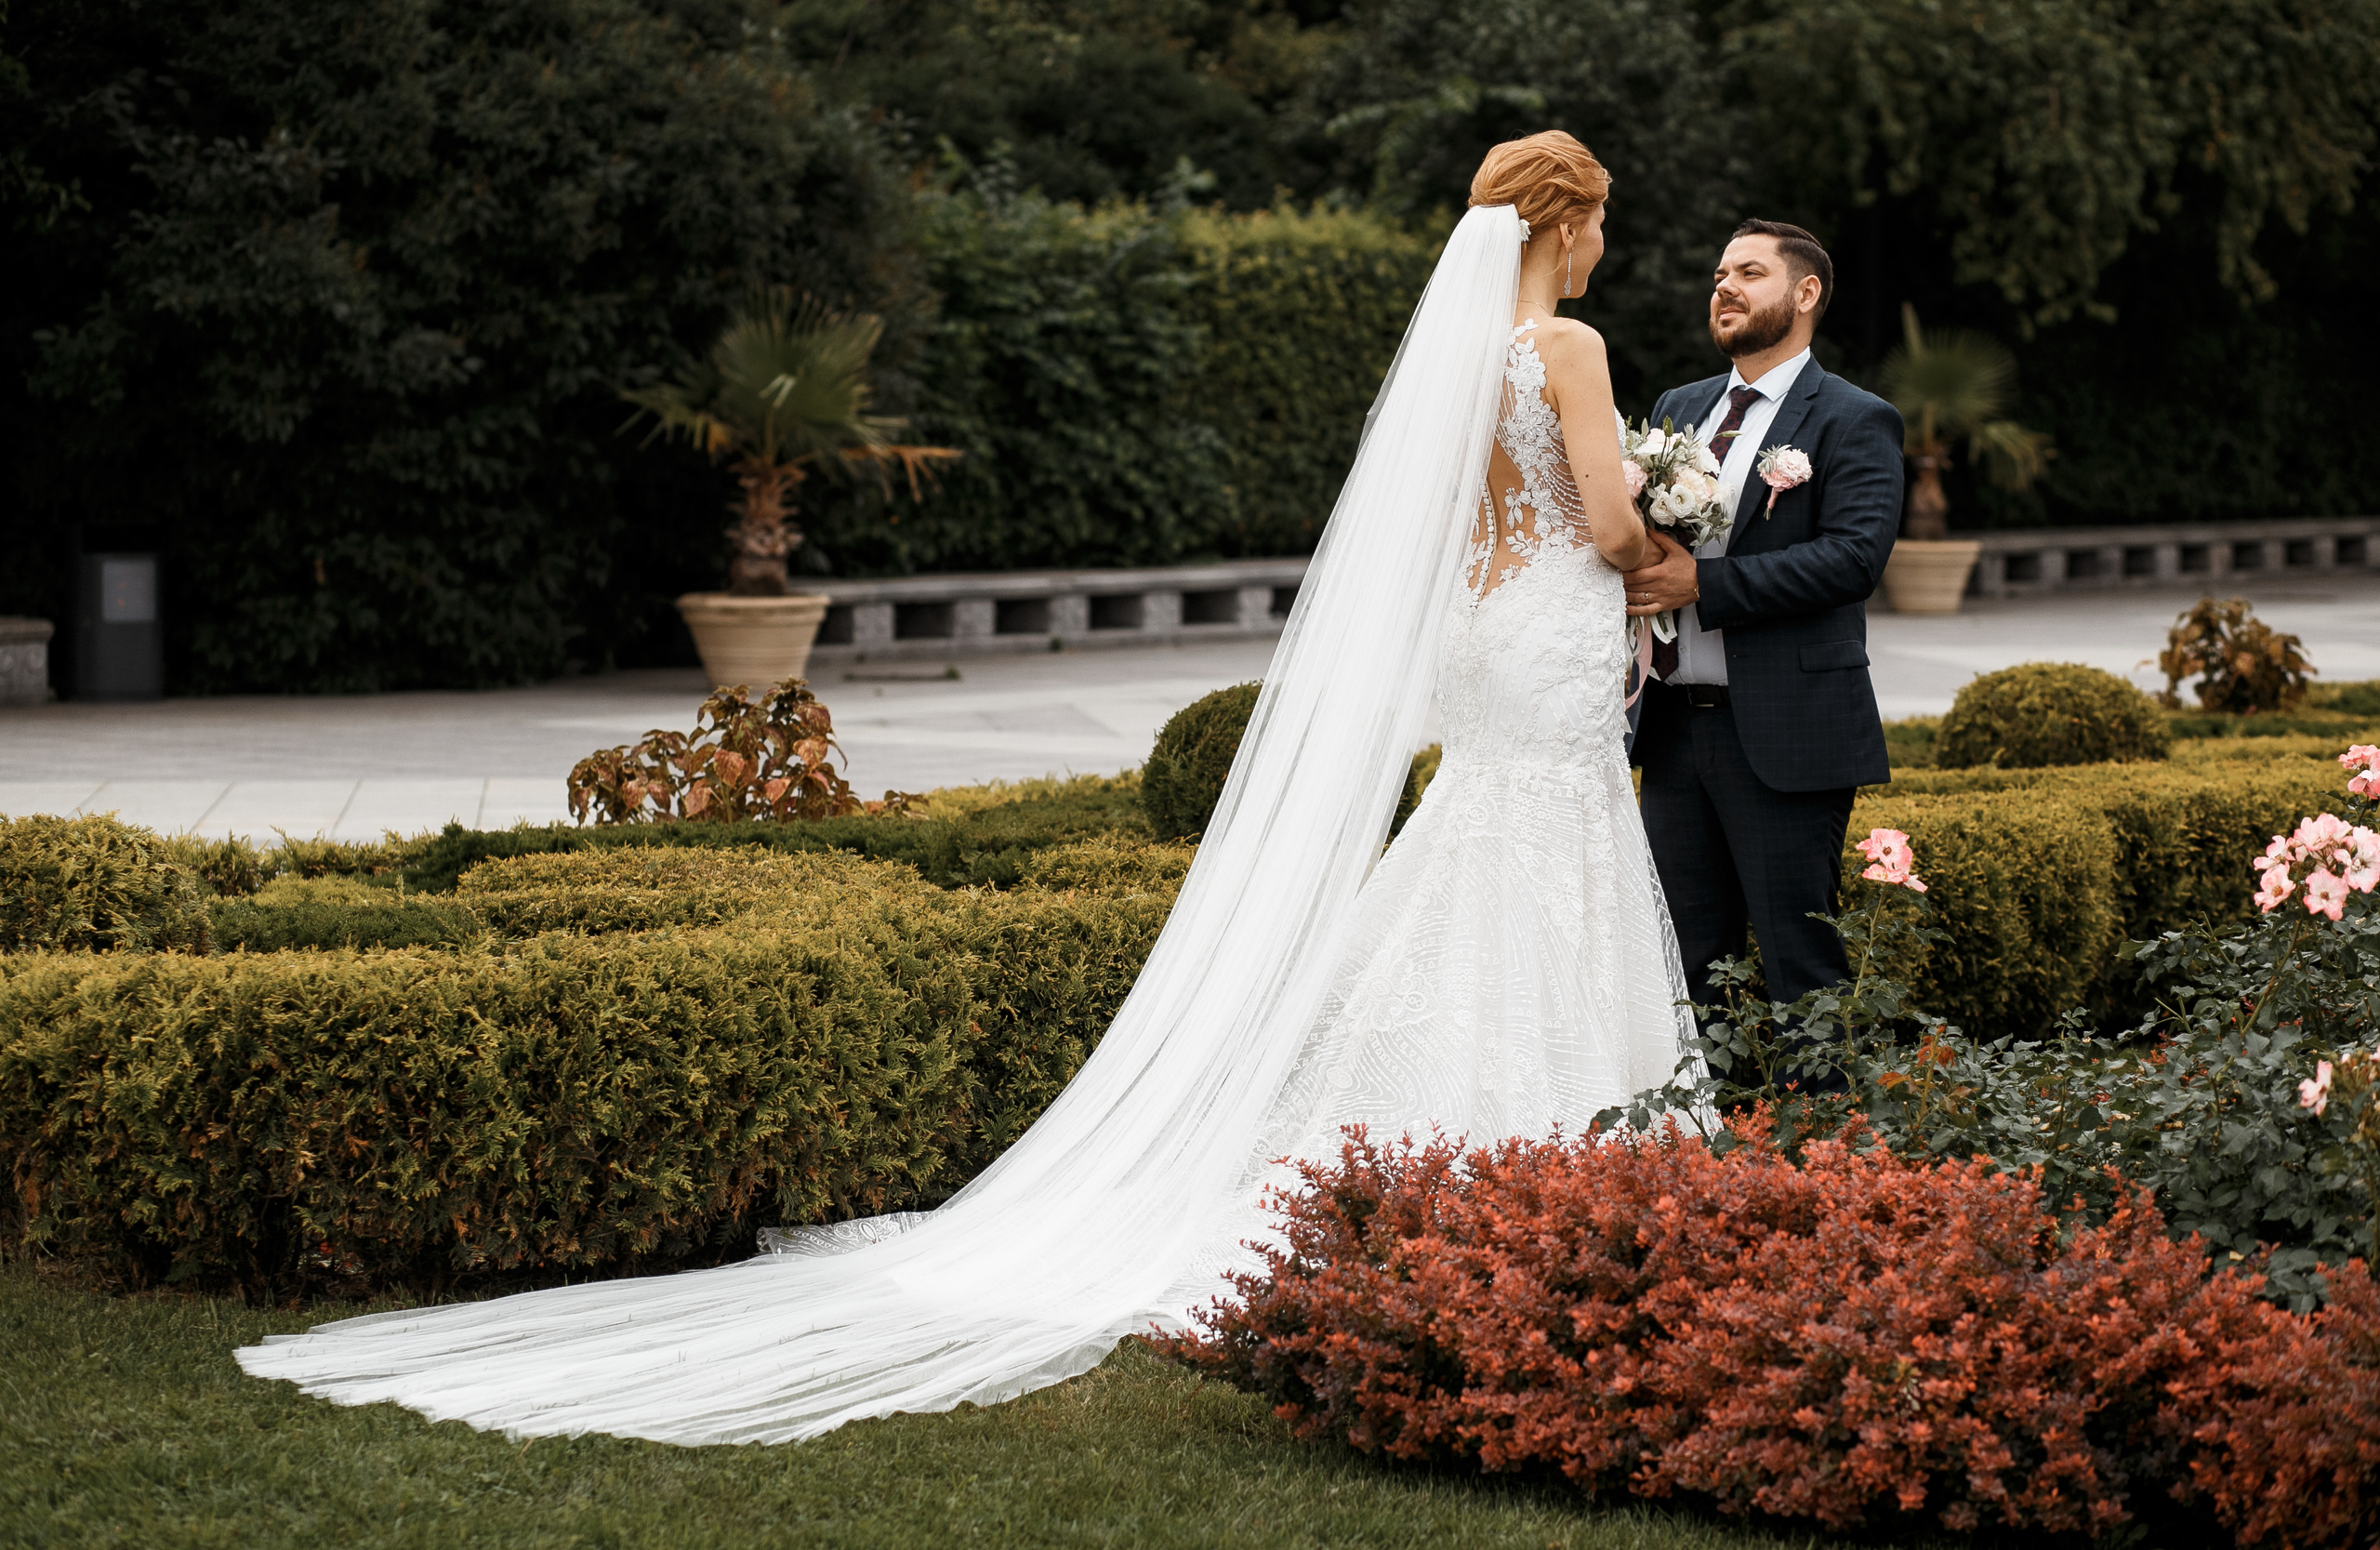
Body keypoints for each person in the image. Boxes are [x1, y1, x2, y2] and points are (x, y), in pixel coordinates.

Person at [236, 133, 1692, 1446]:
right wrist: (1674, 543)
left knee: (1479, 838)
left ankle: (1439, 1145)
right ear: (1571, 224)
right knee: (1540, 836)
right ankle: (1555, 1142)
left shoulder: (1456, 364)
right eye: (1604, 219)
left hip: (1491, 634)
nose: (1609, 245)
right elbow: (1609, 515)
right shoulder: (1565, 345)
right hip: (1558, 624)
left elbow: (1468, 524)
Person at [1621, 221, 1904, 1024]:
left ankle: (1824, 1144)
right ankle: (1705, 1142)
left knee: (1800, 963)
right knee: (1683, 968)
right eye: (1719, 274)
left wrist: (1703, 584)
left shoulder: (1855, 418)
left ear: (1805, 293)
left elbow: (1853, 560)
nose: (1724, 286)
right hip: (1673, 734)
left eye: (1749, 271)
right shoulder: (1679, 408)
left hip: (1789, 732)